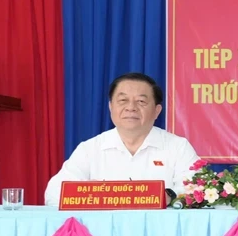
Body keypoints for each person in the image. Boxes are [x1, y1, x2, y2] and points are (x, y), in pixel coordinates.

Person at [44, 73, 200, 206]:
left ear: (157, 111)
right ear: (111, 107)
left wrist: (167, 196)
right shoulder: (90, 149)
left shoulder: (178, 147)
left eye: (141, 101)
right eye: (123, 101)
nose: (131, 107)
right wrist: (96, 196)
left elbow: (197, 191)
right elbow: (54, 194)